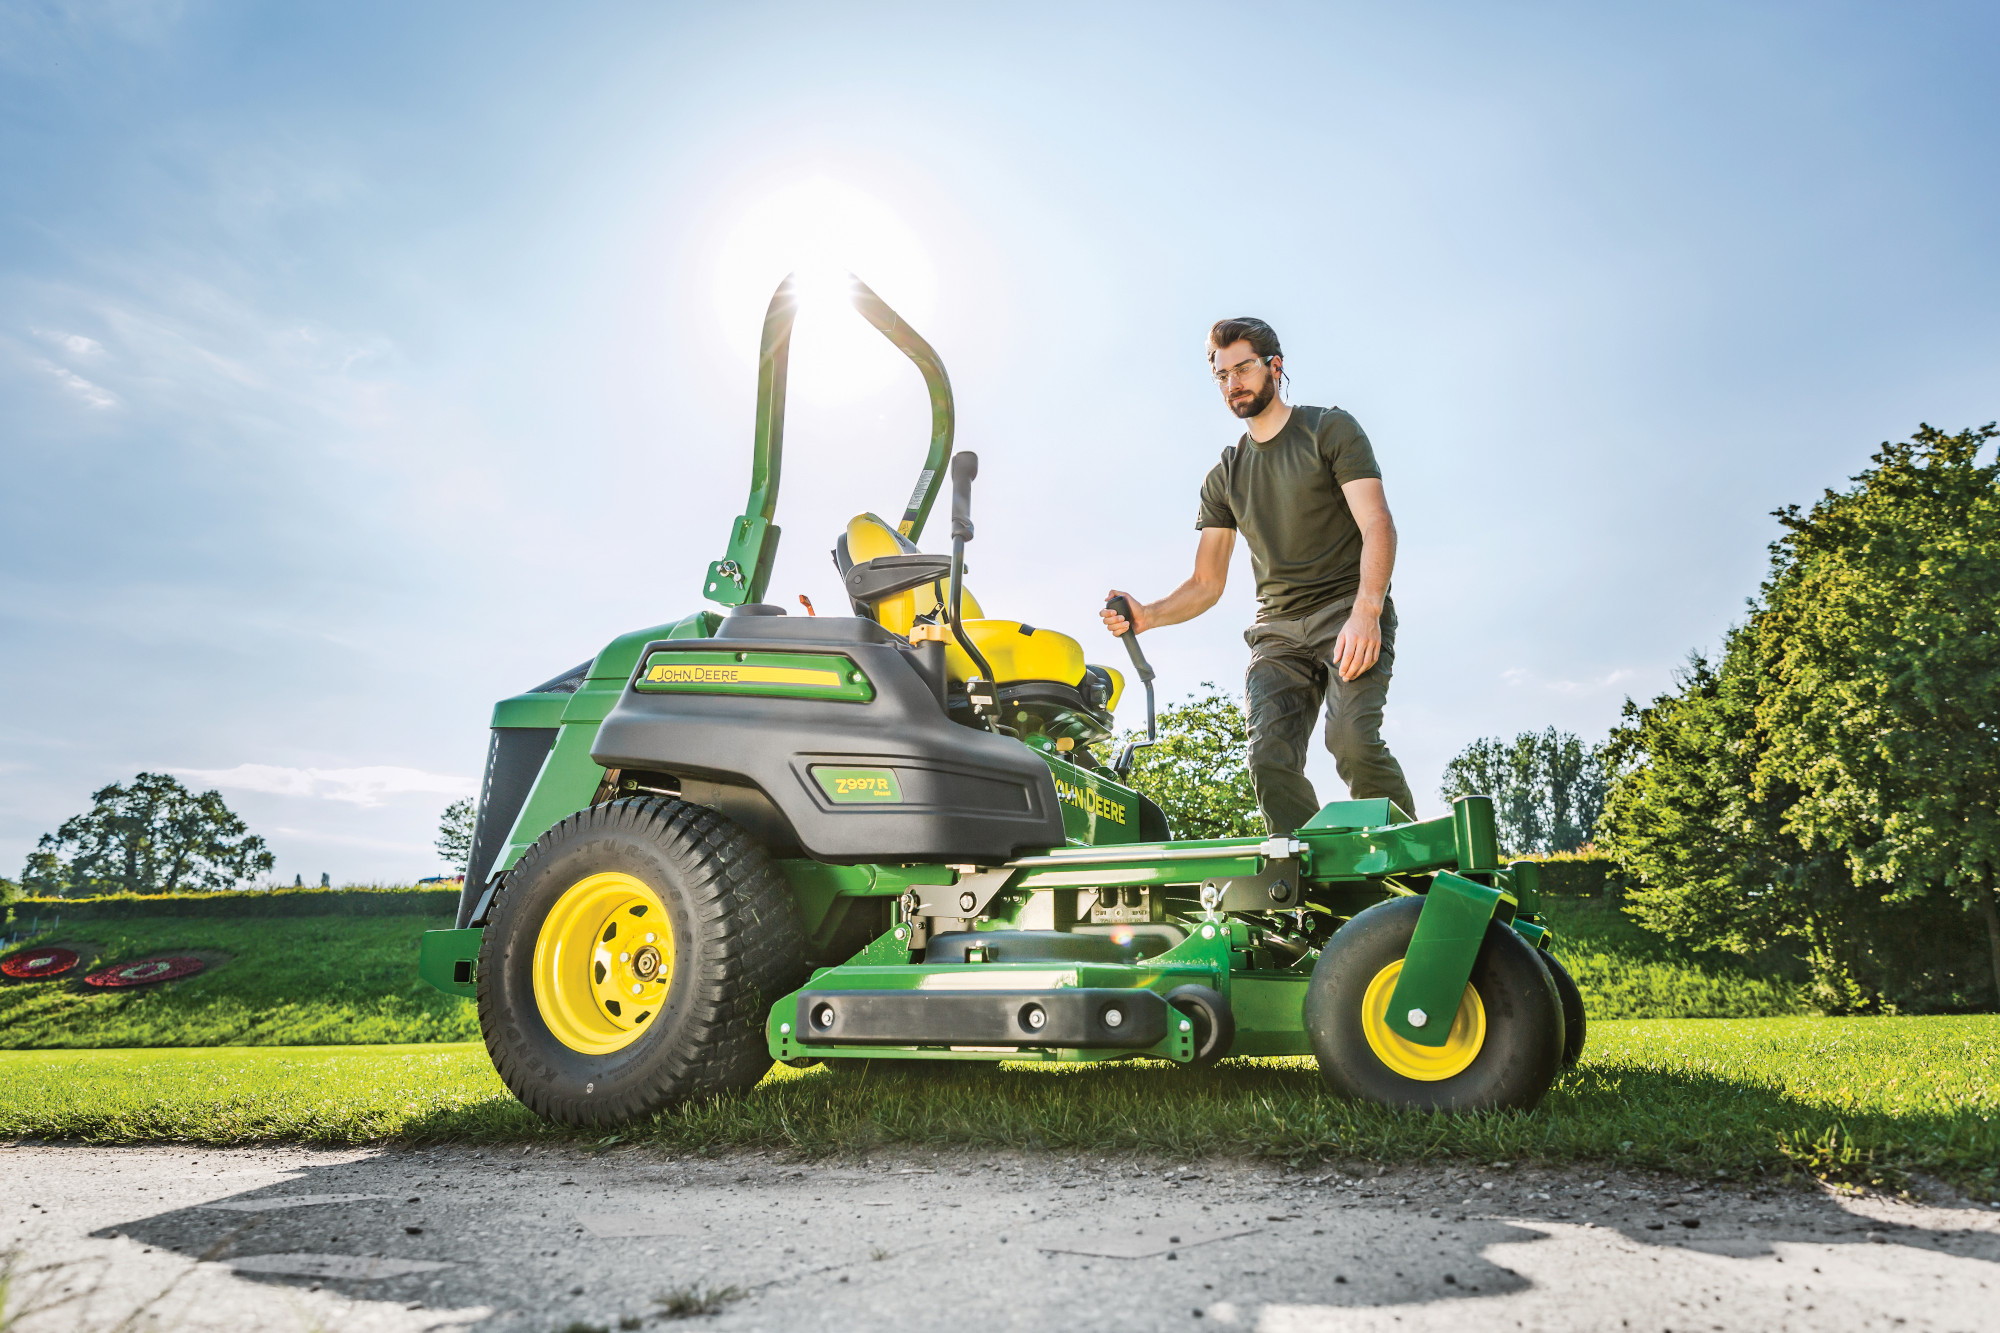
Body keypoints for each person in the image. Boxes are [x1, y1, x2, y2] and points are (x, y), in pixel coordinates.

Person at [1101, 316, 1416, 834]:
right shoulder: (1225, 477)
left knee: (1353, 744)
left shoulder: (1328, 430)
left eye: (1242, 369)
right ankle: (1310, 883)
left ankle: (1413, 863)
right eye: (1221, 376)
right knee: (1268, 760)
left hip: (1346, 612)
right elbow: (1207, 583)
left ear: (1275, 365)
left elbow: (1378, 524)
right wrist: (1147, 615)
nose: (1232, 384)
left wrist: (1367, 611)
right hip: (1277, 635)